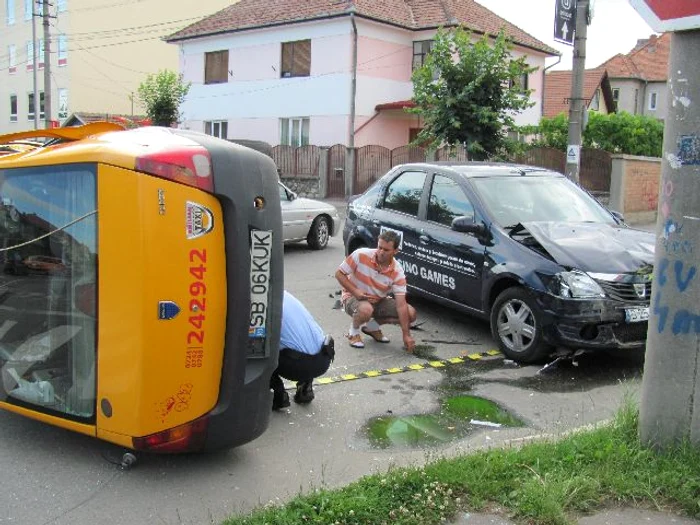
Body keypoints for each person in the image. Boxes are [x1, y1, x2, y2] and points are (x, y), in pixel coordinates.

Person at [335, 229, 417, 352]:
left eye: (386, 250)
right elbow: (339, 274)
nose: (381, 252)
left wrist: (406, 335)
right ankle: (353, 332)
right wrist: (355, 291)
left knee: (410, 313)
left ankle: (372, 327)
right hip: (352, 297)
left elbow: (401, 305)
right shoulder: (360, 254)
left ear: (395, 251)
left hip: (378, 300)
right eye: (380, 247)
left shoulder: (398, 272)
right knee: (366, 309)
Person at [270, 290, 335, 410]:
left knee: (255, 349)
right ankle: (305, 388)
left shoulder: (262, 304)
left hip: (295, 364)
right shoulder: (284, 294)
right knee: (303, 342)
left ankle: (278, 394)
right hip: (323, 357)